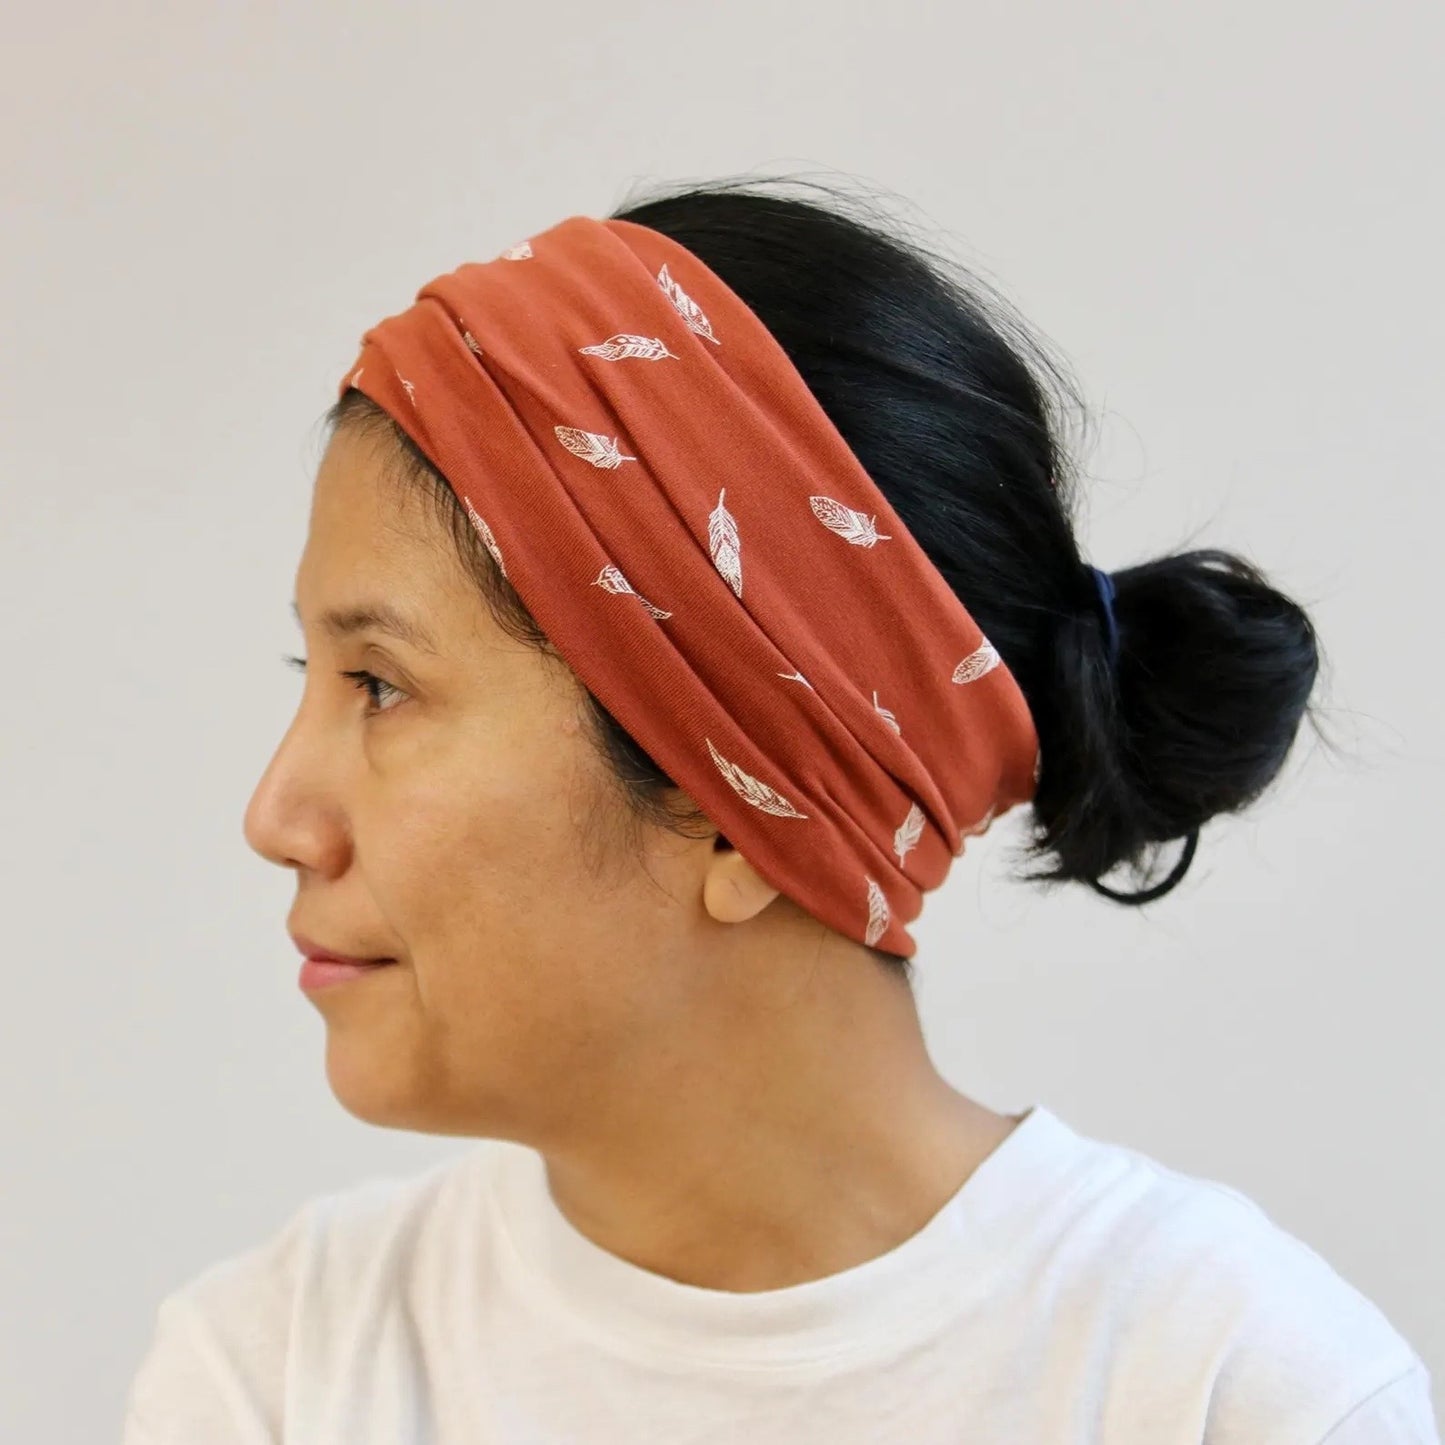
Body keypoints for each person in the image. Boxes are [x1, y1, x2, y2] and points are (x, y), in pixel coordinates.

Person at [121, 176, 1438, 1441]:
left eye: (383, 685)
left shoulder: (1230, 1391)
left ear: (731, 797)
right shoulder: (279, 1374)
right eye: (318, 674)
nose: (277, 812)